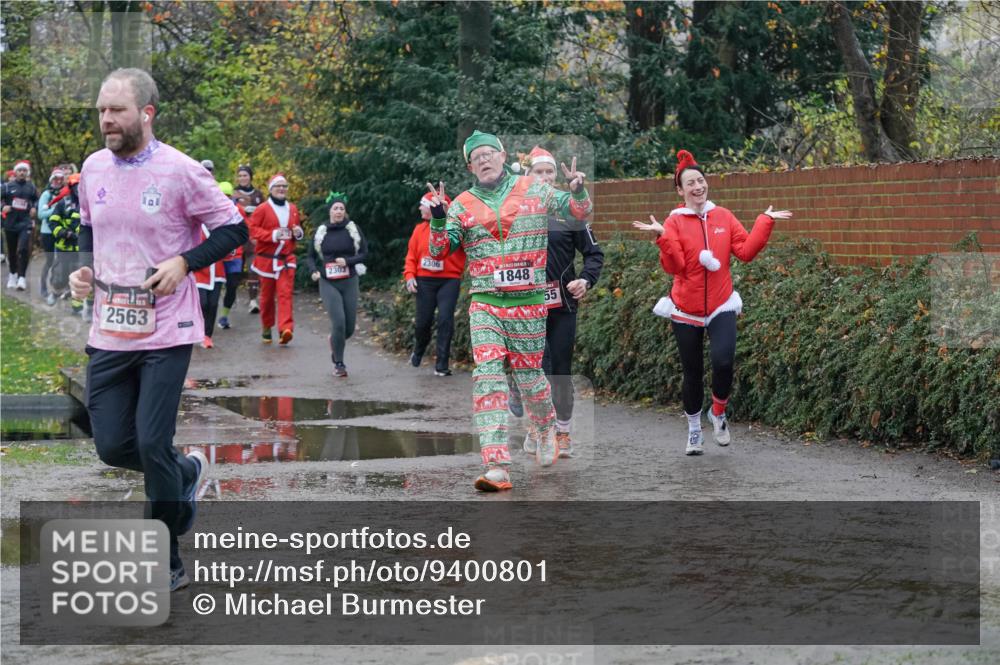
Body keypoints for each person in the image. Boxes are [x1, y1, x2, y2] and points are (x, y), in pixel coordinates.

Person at [68, 68, 248, 591]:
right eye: (102, 109)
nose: (106, 119)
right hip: (108, 330)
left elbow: (233, 227)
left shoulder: (182, 171)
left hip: (166, 331)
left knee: (150, 443)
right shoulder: (93, 167)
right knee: (111, 446)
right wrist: (83, 269)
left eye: (117, 110)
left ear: (146, 113)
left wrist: (185, 262)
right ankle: (186, 473)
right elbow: (87, 224)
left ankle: (164, 558)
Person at [426, 130, 593, 492]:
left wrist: (578, 189)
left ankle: (547, 426)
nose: (484, 160)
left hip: (529, 302)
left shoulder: (533, 188)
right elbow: (440, 251)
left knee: (530, 378)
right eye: (476, 157)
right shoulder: (461, 204)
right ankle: (497, 465)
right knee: (487, 376)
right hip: (486, 302)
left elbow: (578, 212)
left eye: (489, 153)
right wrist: (438, 218)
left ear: (503, 156)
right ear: (470, 166)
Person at [632, 149, 792, 455]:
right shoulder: (675, 221)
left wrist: (764, 221)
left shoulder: (724, 216)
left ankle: (718, 412)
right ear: (680, 190)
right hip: (686, 309)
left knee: (723, 361)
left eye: (701, 180)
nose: (698, 186)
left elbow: (745, 252)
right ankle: (694, 429)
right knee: (692, 372)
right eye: (690, 183)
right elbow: (674, 266)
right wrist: (663, 236)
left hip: (721, 304)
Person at [508, 146, 604, 458]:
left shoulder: (570, 212)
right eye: (540, 172)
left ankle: (562, 432)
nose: (546, 177)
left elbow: (594, 254)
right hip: (526, 305)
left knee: (560, 369)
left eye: (550, 172)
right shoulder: (514, 211)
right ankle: (539, 427)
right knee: (538, 368)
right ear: (527, 176)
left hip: (562, 306)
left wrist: (586, 279)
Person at [404, 189, 465, 377]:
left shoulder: (455, 227)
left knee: (445, 320)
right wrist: (410, 276)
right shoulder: (418, 229)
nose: (419, 208)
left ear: (433, 208)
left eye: (423, 204)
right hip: (425, 281)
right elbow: (411, 256)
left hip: (449, 280)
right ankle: (419, 350)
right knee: (423, 322)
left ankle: (442, 365)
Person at [307, 192, 368, 377]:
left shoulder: (352, 229)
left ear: (345, 211)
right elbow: (309, 256)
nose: (339, 211)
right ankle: (339, 364)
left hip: (349, 280)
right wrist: (313, 271)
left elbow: (364, 253)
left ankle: (334, 341)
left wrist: (348, 261)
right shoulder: (322, 230)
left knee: (349, 327)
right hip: (328, 282)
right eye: (335, 208)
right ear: (330, 211)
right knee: (339, 322)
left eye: (341, 208)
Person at [248, 173, 302, 345]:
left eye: (284, 186)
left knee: (285, 294)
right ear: (271, 189)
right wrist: (272, 235)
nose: (282, 189)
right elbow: (252, 230)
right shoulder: (263, 208)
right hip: (266, 260)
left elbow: (296, 228)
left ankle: (285, 329)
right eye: (278, 186)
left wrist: (298, 233)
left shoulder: (292, 208)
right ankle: (266, 326)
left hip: (286, 259)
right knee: (267, 297)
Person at [193, 181, 232, 349]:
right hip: (200, 272)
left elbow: (229, 245)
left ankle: (208, 335)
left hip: (217, 272)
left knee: (214, 303)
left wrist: (229, 251)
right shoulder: (195, 225)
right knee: (203, 303)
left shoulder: (221, 225)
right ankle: (198, 332)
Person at [231, 164, 264, 317]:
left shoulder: (258, 194)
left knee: (253, 269)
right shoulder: (233, 194)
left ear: (250, 176)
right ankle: (231, 298)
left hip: (253, 237)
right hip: (237, 236)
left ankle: (253, 301)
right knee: (235, 271)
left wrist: (256, 211)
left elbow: (265, 212)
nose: (243, 178)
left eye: (245, 175)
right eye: (240, 175)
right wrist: (242, 210)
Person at [48, 173, 84, 313]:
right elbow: (53, 222)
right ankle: (55, 292)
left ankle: (77, 306)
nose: (79, 189)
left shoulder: (91, 203)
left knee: (80, 277)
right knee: (61, 274)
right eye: (76, 186)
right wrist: (64, 233)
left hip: (82, 248)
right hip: (65, 246)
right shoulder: (64, 203)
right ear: (71, 187)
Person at [2, 161, 39, 290]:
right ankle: (13, 274)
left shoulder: (31, 187)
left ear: (27, 173)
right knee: (12, 251)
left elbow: (36, 199)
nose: (22, 173)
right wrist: (3, 207)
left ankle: (22, 277)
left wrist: (34, 208)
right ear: (15, 172)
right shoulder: (7, 186)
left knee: (23, 249)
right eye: (20, 170)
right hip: (11, 223)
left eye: (24, 170)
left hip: (25, 222)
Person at [37, 168, 66, 303]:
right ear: (51, 180)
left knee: (60, 261)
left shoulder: (66, 194)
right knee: (50, 261)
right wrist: (56, 211)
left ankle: (59, 289)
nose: (58, 182)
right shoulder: (46, 194)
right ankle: (44, 288)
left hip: (60, 231)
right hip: (47, 232)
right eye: (56, 179)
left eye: (61, 179)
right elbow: (41, 215)